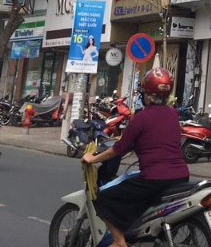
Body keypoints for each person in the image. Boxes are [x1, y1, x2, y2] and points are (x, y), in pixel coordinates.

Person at [81, 68, 189, 247]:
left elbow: (119, 149)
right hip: (181, 176)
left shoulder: (141, 118)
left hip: (154, 179)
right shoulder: (173, 115)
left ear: (147, 94)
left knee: (103, 198)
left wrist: (93, 158)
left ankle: (119, 241)